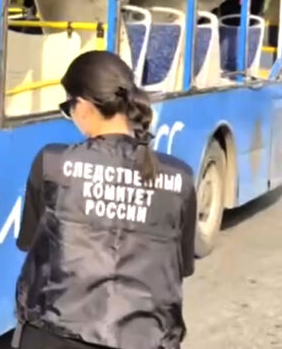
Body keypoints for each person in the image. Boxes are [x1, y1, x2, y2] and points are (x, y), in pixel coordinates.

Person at [12, 51, 197, 349]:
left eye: (68, 107)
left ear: (84, 107)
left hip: (56, 335)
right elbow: (182, 267)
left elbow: (29, 243)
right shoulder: (180, 178)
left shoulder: (53, 163)